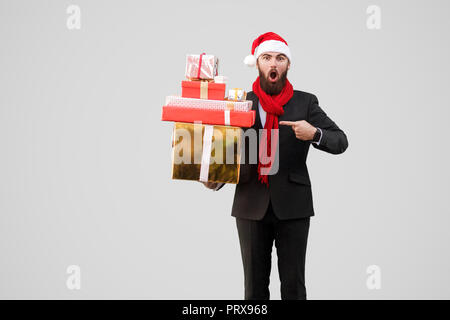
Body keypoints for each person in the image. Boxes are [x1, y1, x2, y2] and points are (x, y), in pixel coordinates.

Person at [202, 32, 348, 300]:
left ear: (288, 65)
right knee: (254, 290)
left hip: (293, 205)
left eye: (280, 58)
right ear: (257, 63)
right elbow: (228, 152)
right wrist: (215, 179)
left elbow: (340, 141)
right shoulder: (238, 103)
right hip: (250, 203)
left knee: (293, 287)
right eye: (267, 57)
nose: (273, 63)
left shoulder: (306, 102)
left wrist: (315, 133)